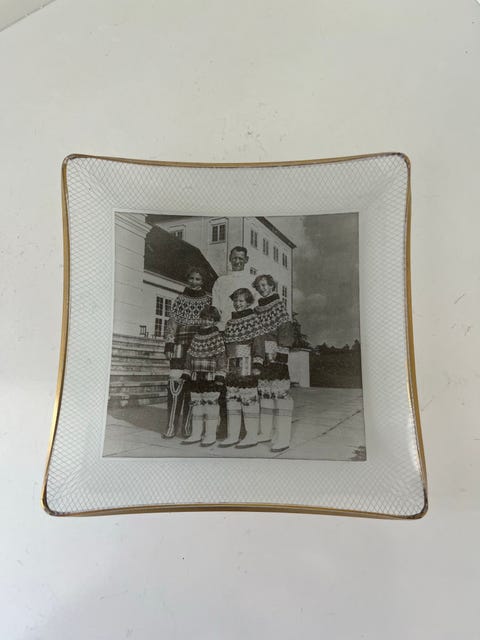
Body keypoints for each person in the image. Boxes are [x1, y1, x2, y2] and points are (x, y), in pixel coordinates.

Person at [163, 266, 212, 438]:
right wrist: (169, 343)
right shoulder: (179, 299)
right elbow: (172, 322)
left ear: (203, 281)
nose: (194, 282)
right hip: (179, 347)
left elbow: (210, 324)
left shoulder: (208, 301)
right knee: (175, 384)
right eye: (191, 278)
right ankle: (171, 426)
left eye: (198, 279)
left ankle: (187, 427)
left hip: (198, 347)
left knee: (192, 386)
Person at [252, 274, 295, 453]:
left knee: (281, 397)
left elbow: (286, 330)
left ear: (272, 286)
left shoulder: (278, 306)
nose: (262, 288)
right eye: (259, 286)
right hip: (261, 356)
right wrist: (257, 357)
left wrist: (281, 356)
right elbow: (257, 337)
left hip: (276, 355)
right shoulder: (257, 310)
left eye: (265, 285)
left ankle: (283, 438)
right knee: (265, 396)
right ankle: (266, 432)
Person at [220, 288, 264, 448]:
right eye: (235, 301)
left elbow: (258, 343)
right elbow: (225, 346)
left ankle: (251, 435)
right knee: (232, 400)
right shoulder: (230, 323)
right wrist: (223, 365)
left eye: (241, 301)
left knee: (248, 400)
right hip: (231, 365)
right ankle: (233, 435)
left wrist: (257, 364)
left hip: (247, 364)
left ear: (248, 302)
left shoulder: (254, 319)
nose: (237, 304)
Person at [180, 306, 226, 447]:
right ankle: (196, 434)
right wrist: (186, 372)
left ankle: (210, 435)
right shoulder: (196, 336)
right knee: (197, 405)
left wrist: (220, 375)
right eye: (204, 318)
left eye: (210, 319)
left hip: (210, 377)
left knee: (210, 406)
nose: (206, 322)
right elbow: (190, 355)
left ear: (214, 321)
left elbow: (221, 356)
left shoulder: (216, 336)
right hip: (196, 376)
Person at [212, 246, 257, 331]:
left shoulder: (252, 281)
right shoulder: (220, 281)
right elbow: (215, 306)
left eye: (240, 258)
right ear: (229, 258)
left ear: (246, 259)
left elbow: (255, 305)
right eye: (234, 258)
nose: (237, 261)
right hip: (224, 326)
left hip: (246, 326)